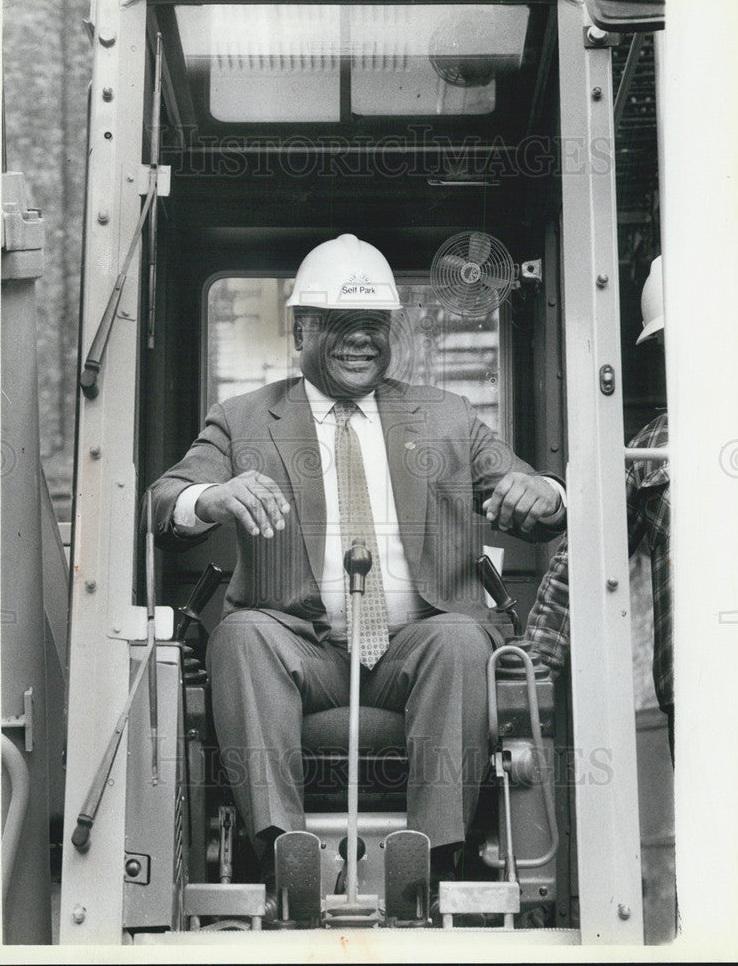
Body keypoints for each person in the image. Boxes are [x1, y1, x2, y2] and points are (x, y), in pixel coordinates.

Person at [147, 234, 567, 898]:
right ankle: (284, 862)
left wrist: (545, 492)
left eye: (372, 324)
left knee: (461, 637)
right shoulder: (242, 420)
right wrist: (211, 497)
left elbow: (537, 500)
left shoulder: (447, 417)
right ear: (297, 330)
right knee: (241, 634)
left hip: (413, 652)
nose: (358, 340)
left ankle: (428, 870)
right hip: (300, 654)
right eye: (338, 324)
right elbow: (163, 506)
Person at [525, 256, 673, 759]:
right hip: (693, 687)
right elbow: (582, 562)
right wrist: (533, 668)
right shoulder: (654, 444)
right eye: (667, 345)